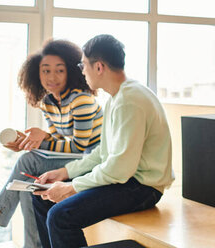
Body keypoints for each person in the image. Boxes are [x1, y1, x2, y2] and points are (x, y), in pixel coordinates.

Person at [31, 34, 174, 248]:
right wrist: (65, 173)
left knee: (61, 217)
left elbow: (119, 170)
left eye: (83, 65)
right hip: (127, 180)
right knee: (42, 197)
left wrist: (72, 188)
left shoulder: (130, 101)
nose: (81, 70)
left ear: (99, 67)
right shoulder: (117, 97)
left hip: (142, 188)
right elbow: (103, 153)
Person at [0, 39, 102, 248]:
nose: (51, 77)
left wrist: (40, 142)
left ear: (71, 72)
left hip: (91, 161)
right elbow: (60, 141)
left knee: (28, 160)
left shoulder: (81, 100)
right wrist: (38, 139)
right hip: (71, 159)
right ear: (36, 74)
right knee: (30, 189)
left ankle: (0, 211)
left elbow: (79, 147)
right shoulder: (48, 102)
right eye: (45, 71)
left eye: (59, 70)